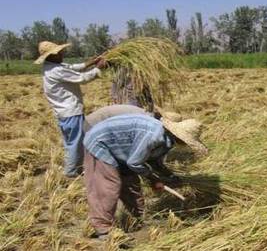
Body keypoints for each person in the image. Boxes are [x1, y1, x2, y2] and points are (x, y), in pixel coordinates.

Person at [83, 113, 208, 238]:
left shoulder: (166, 139)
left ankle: (138, 217)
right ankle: (103, 229)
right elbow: (134, 162)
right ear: (180, 137)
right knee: (109, 185)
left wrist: (167, 177)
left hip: (121, 149)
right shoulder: (154, 136)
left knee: (131, 182)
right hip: (100, 142)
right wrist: (153, 178)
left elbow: (151, 160)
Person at [34, 41, 106, 177]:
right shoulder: (57, 70)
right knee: (75, 143)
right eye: (58, 53)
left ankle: (76, 167)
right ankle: (71, 172)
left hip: (63, 113)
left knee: (71, 142)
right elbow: (82, 78)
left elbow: (72, 67)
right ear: (51, 56)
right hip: (71, 112)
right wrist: (98, 68)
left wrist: (90, 63)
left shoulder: (50, 67)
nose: (62, 54)